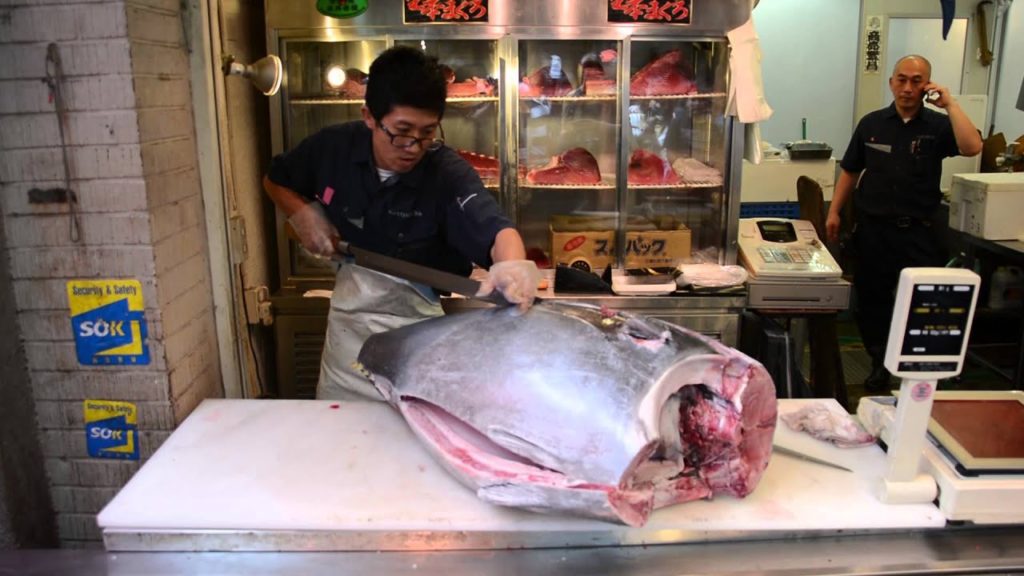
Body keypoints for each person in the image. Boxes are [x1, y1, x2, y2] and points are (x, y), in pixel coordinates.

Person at [263, 46, 539, 400]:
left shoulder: (444, 172)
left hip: (418, 341)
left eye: (426, 133)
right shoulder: (332, 148)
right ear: (369, 117)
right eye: (401, 131)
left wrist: (513, 265)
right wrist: (301, 213)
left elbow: (496, 229)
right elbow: (275, 179)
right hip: (348, 344)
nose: (412, 146)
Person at [826, 54, 982, 392]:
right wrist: (834, 210)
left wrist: (951, 104)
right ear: (892, 82)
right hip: (874, 231)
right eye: (902, 79)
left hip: (919, 232)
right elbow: (851, 169)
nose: (908, 87)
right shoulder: (872, 124)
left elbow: (972, 147)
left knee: (923, 303)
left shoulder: (938, 127)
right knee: (872, 302)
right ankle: (879, 364)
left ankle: (920, 372)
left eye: (916, 81)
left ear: (927, 85)